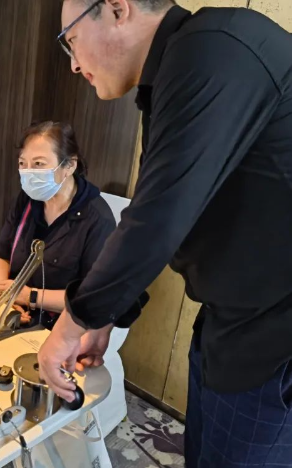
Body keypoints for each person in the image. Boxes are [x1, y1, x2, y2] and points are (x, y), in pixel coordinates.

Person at [37, 0, 292, 466]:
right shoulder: (177, 69)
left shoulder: (214, 51)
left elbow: (157, 219)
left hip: (274, 332)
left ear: (117, 9)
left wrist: (70, 328)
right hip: (231, 319)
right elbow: (159, 210)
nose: (73, 64)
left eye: (71, 40)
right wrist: (107, 315)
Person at [0, 121, 116, 329]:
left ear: (69, 166)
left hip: (62, 329)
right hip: (13, 315)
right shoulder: (27, 200)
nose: (28, 172)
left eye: (39, 164)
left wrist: (29, 296)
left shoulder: (98, 219)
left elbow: (92, 297)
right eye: (22, 163)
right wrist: (5, 299)